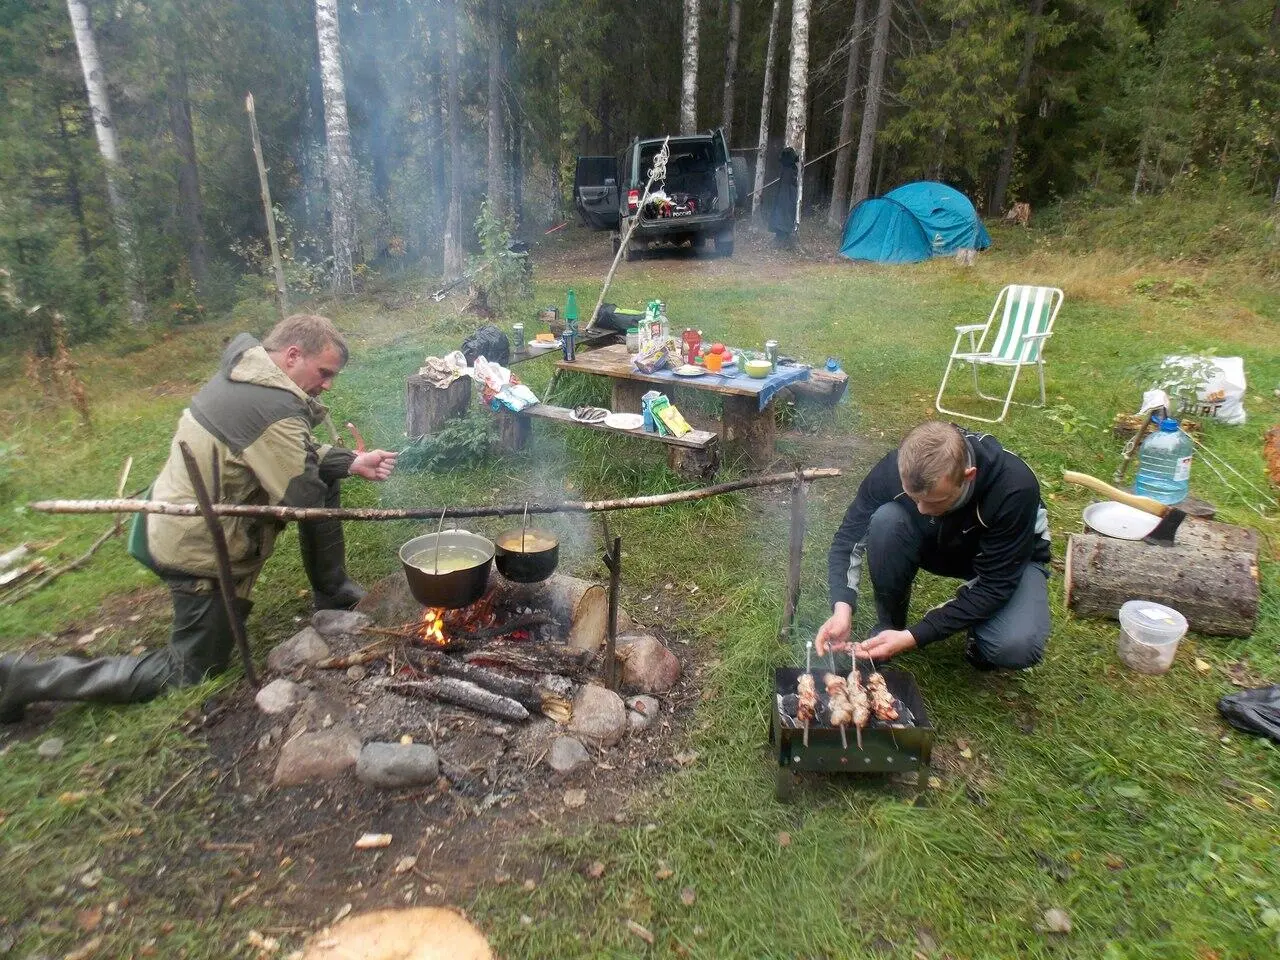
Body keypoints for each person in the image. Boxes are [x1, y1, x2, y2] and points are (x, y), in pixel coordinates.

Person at [0, 315, 398, 723]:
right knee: (191, 672)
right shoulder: (269, 405)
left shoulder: (249, 374)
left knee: (327, 473)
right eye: (324, 372)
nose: (328, 384)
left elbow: (291, 450)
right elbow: (303, 498)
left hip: (173, 521)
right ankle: (27, 678)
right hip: (197, 551)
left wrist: (350, 462)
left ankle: (332, 593)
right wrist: (328, 470)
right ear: (293, 355)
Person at [816, 420, 1051, 670]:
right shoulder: (894, 469)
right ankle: (890, 626)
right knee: (887, 520)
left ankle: (981, 638)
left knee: (1015, 645)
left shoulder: (1014, 487)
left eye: (935, 501)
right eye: (914, 498)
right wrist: (842, 607)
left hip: (1009, 559)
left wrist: (917, 635)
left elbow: (996, 585)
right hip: (940, 545)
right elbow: (848, 537)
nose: (922, 509)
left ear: (968, 476)